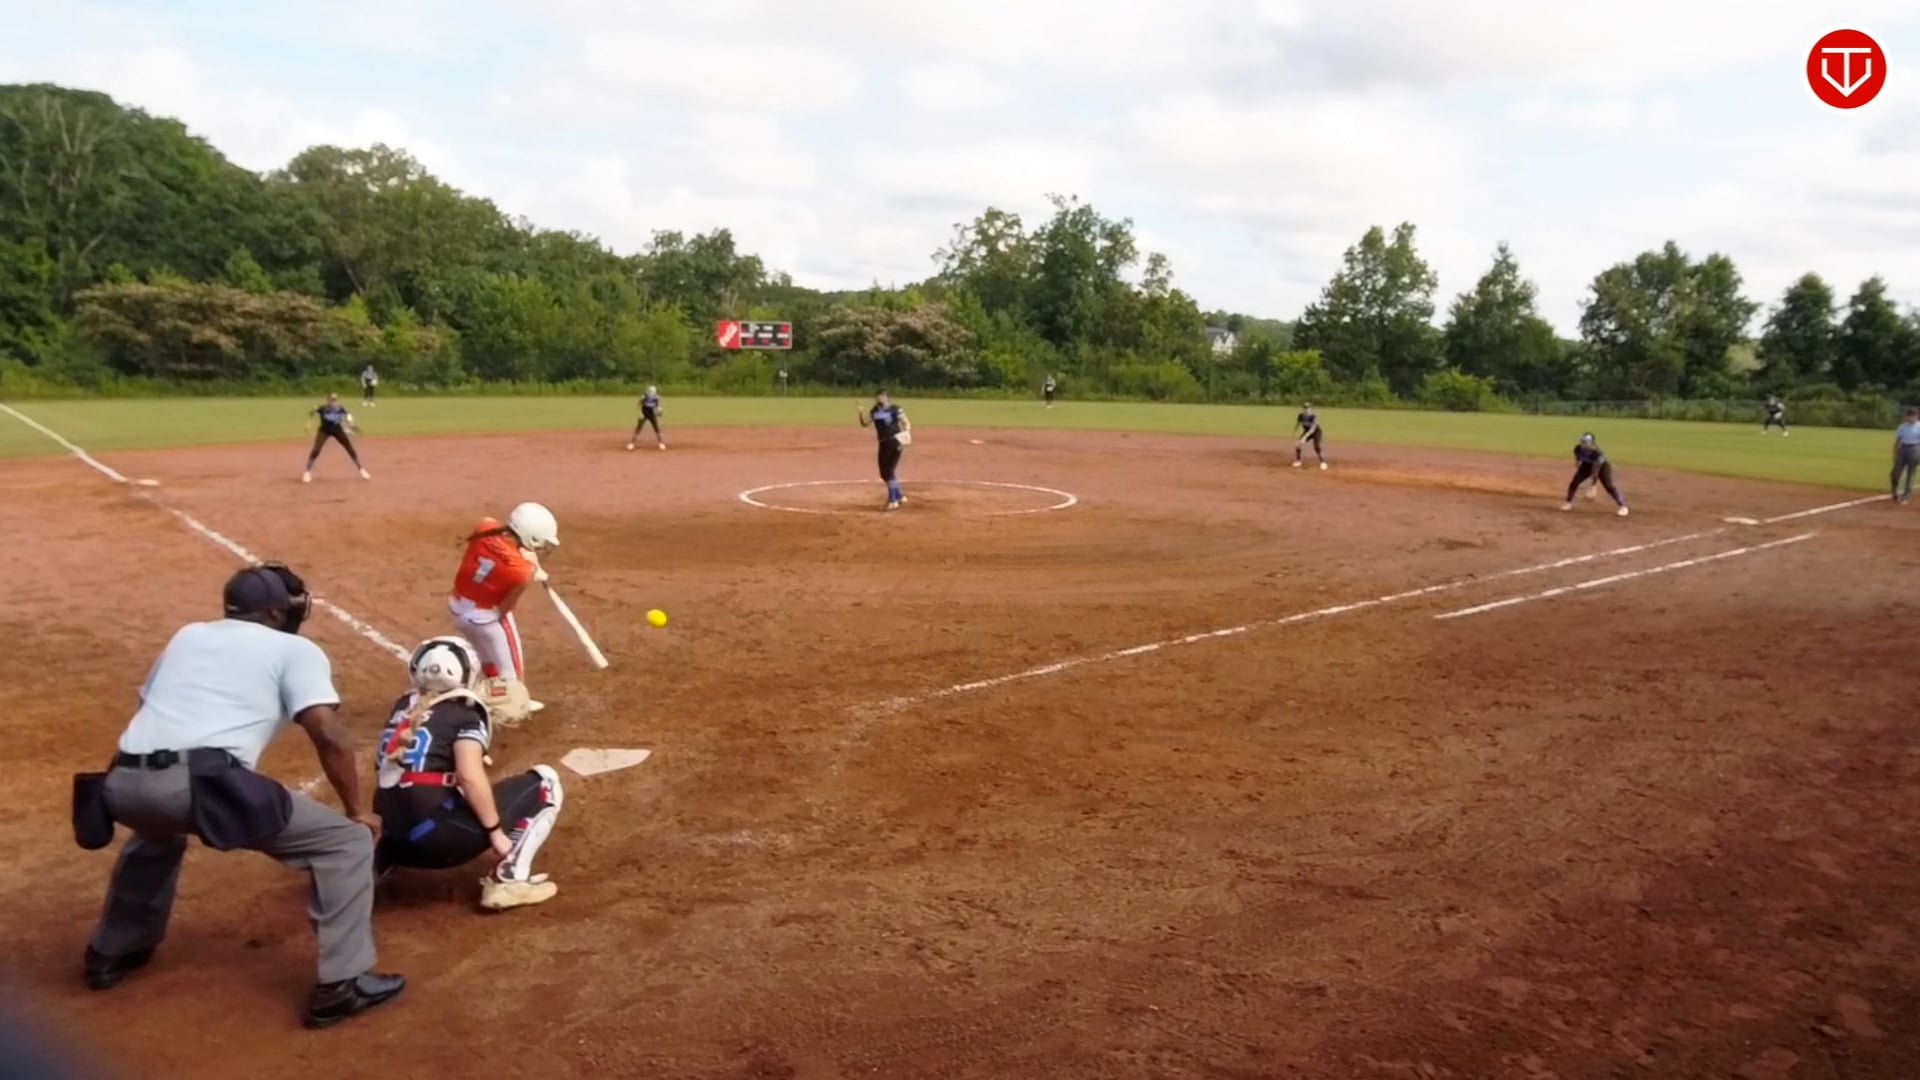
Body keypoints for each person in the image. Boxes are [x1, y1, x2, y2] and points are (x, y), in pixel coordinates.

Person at [78, 562, 403, 1029]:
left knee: (156, 833)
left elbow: (148, 704)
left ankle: (109, 953)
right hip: (201, 784)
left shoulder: (188, 635)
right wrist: (356, 811)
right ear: (274, 613)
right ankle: (341, 985)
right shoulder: (295, 649)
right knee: (345, 842)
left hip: (121, 783)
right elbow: (328, 734)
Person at [373, 637, 564, 910]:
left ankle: (376, 867)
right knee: (545, 783)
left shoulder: (402, 707)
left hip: (395, 844)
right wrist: (495, 832)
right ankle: (510, 880)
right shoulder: (465, 714)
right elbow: (469, 777)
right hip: (438, 846)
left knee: (419, 784)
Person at [448, 502, 561, 723]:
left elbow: (496, 539)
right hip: (484, 617)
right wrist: (531, 570)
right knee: (511, 664)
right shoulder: (520, 571)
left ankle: (492, 692)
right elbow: (505, 607)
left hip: (457, 606)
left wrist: (524, 561)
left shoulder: (484, 527)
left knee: (485, 655)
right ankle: (513, 703)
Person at [857, 389, 911, 511]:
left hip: (894, 441)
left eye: (882, 396)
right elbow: (865, 423)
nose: (879, 398)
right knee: (885, 472)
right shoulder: (874, 411)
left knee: (888, 471)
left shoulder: (895, 409)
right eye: (878, 396)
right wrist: (861, 413)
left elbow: (906, 422)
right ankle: (898, 496)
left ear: (887, 397)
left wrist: (906, 433)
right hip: (883, 443)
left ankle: (893, 500)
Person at [304, 392, 370, 484]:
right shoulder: (322, 408)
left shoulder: (340, 408)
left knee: (349, 448)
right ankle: (307, 472)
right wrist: (308, 423)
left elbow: (348, 416)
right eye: (331, 400)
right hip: (324, 431)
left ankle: (361, 469)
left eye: (335, 400)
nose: (333, 402)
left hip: (337, 430)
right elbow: (311, 413)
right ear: (327, 400)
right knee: (316, 449)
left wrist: (352, 424)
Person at [1563, 433, 1628, 516]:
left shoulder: (1597, 453)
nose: (1583, 444)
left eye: (1585, 442)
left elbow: (1595, 471)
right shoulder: (1578, 448)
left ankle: (1623, 506)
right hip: (1586, 465)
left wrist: (1593, 486)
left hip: (1602, 467)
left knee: (1609, 486)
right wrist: (1577, 462)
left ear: (1591, 443)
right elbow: (1577, 456)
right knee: (1574, 483)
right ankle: (1568, 503)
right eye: (1582, 442)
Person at [1892, 406, 1920, 504]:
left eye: (1913, 416)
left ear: (1917, 416)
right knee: (1895, 473)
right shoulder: (1902, 426)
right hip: (1903, 448)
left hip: (1915, 448)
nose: (1911, 418)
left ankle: (1906, 495)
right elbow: (1898, 440)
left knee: (1911, 473)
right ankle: (1894, 491)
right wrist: (1895, 453)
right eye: (1909, 415)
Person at [628, 385, 664, 450]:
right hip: (644, 413)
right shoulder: (644, 396)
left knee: (656, 428)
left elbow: (657, 406)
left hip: (652, 414)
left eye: (653, 391)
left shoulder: (656, 397)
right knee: (639, 427)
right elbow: (639, 405)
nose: (652, 392)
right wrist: (640, 413)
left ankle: (661, 443)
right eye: (651, 391)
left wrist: (659, 410)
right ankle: (632, 443)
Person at [1293, 402, 1327, 469]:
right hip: (1307, 432)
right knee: (1298, 444)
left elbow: (1312, 429)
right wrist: (1295, 429)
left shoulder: (1313, 416)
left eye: (1308, 408)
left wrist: (1304, 437)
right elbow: (1298, 423)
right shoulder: (1301, 416)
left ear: (1311, 409)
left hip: (1316, 432)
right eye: (1305, 408)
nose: (1306, 410)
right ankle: (1298, 461)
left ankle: (1323, 462)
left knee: (1316, 446)